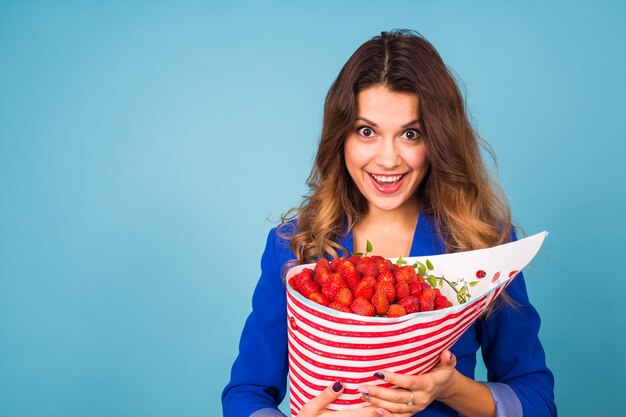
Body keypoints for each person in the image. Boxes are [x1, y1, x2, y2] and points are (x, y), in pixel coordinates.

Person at [222, 29, 556, 417]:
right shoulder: (294, 245)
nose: (387, 159)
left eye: (410, 134)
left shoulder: (485, 247)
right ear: (340, 138)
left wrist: (451, 388)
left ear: (438, 140)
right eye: (367, 132)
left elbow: (538, 403)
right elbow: (246, 393)